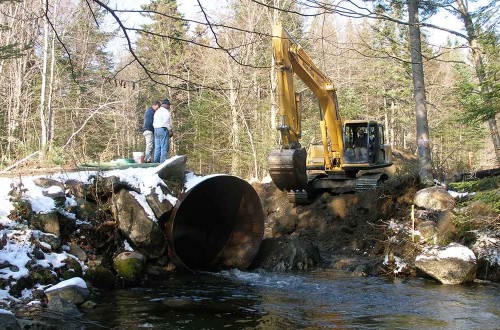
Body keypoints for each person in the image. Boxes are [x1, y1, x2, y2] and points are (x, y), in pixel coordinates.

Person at [153, 98, 173, 163]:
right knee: (164, 146)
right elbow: (166, 122)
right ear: (166, 105)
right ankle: (163, 162)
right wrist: (170, 130)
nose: (169, 107)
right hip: (162, 129)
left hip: (156, 129)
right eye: (169, 105)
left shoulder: (157, 111)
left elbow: (154, 122)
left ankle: (156, 162)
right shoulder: (165, 111)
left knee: (157, 147)